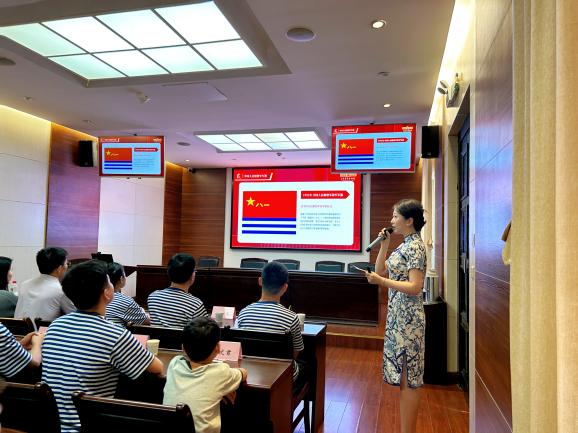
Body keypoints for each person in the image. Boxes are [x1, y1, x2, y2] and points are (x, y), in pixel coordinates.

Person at [42, 260, 164, 433]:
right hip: (88, 426)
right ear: (107, 293)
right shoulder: (114, 334)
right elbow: (158, 368)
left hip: (51, 424)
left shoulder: (55, 326)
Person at [364, 199, 427, 433]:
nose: (391, 221)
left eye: (395, 217)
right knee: (403, 376)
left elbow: (415, 286)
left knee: (409, 377)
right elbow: (380, 270)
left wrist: (381, 282)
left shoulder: (415, 247)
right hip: (398, 318)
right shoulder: (404, 245)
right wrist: (384, 245)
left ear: (409, 221)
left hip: (409, 321)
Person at [163, 317, 247, 433]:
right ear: (218, 348)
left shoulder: (174, 364)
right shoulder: (221, 372)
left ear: (183, 348)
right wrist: (224, 387)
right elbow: (243, 373)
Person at [236, 261, 305, 388]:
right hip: (282, 376)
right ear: (285, 287)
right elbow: (295, 353)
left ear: (260, 281)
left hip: (249, 372)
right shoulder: (291, 317)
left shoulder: (244, 313)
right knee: (308, 363)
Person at [147, 253, 208, 328]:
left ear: (169, 272)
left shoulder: (153, 297)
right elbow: (206, 330)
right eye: (194, 270)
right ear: (192, 276)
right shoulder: (195, 305)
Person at [14, 247, 75, 321]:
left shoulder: (24, 285)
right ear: (59, 269)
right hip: (43, 329)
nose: (67, 267)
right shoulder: (61, 290)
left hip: (16, 328)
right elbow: (75, 314)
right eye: (67, 264)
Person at [105, 262, 150, 327]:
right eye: (124, 275)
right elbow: (146, 321)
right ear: (121, 279)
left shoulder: (97, 296)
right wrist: (142, 312)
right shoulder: (125, 301)